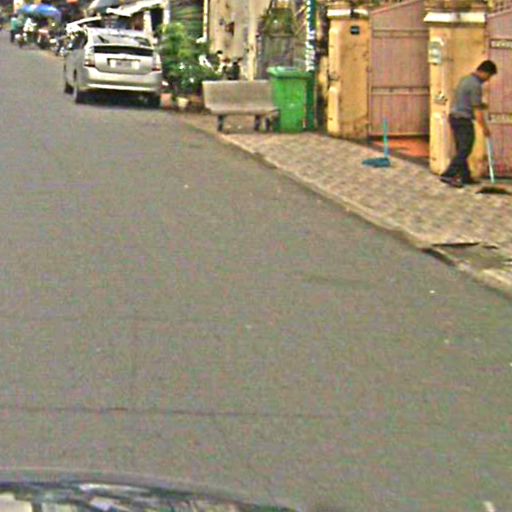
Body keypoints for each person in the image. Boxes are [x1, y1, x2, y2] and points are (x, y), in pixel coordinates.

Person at [441, 60, 498, 188]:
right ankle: (448, 174)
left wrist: (481, 105)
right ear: (484, 72)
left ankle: (465, 175)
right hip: (463, 120)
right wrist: (484, 128)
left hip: (455, 117)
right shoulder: (475, 86)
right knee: (465, 148)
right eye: (489, 76)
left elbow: (466, 101)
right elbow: (477, 111)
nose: (488, 80)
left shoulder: (465, 80)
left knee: (462, 148)